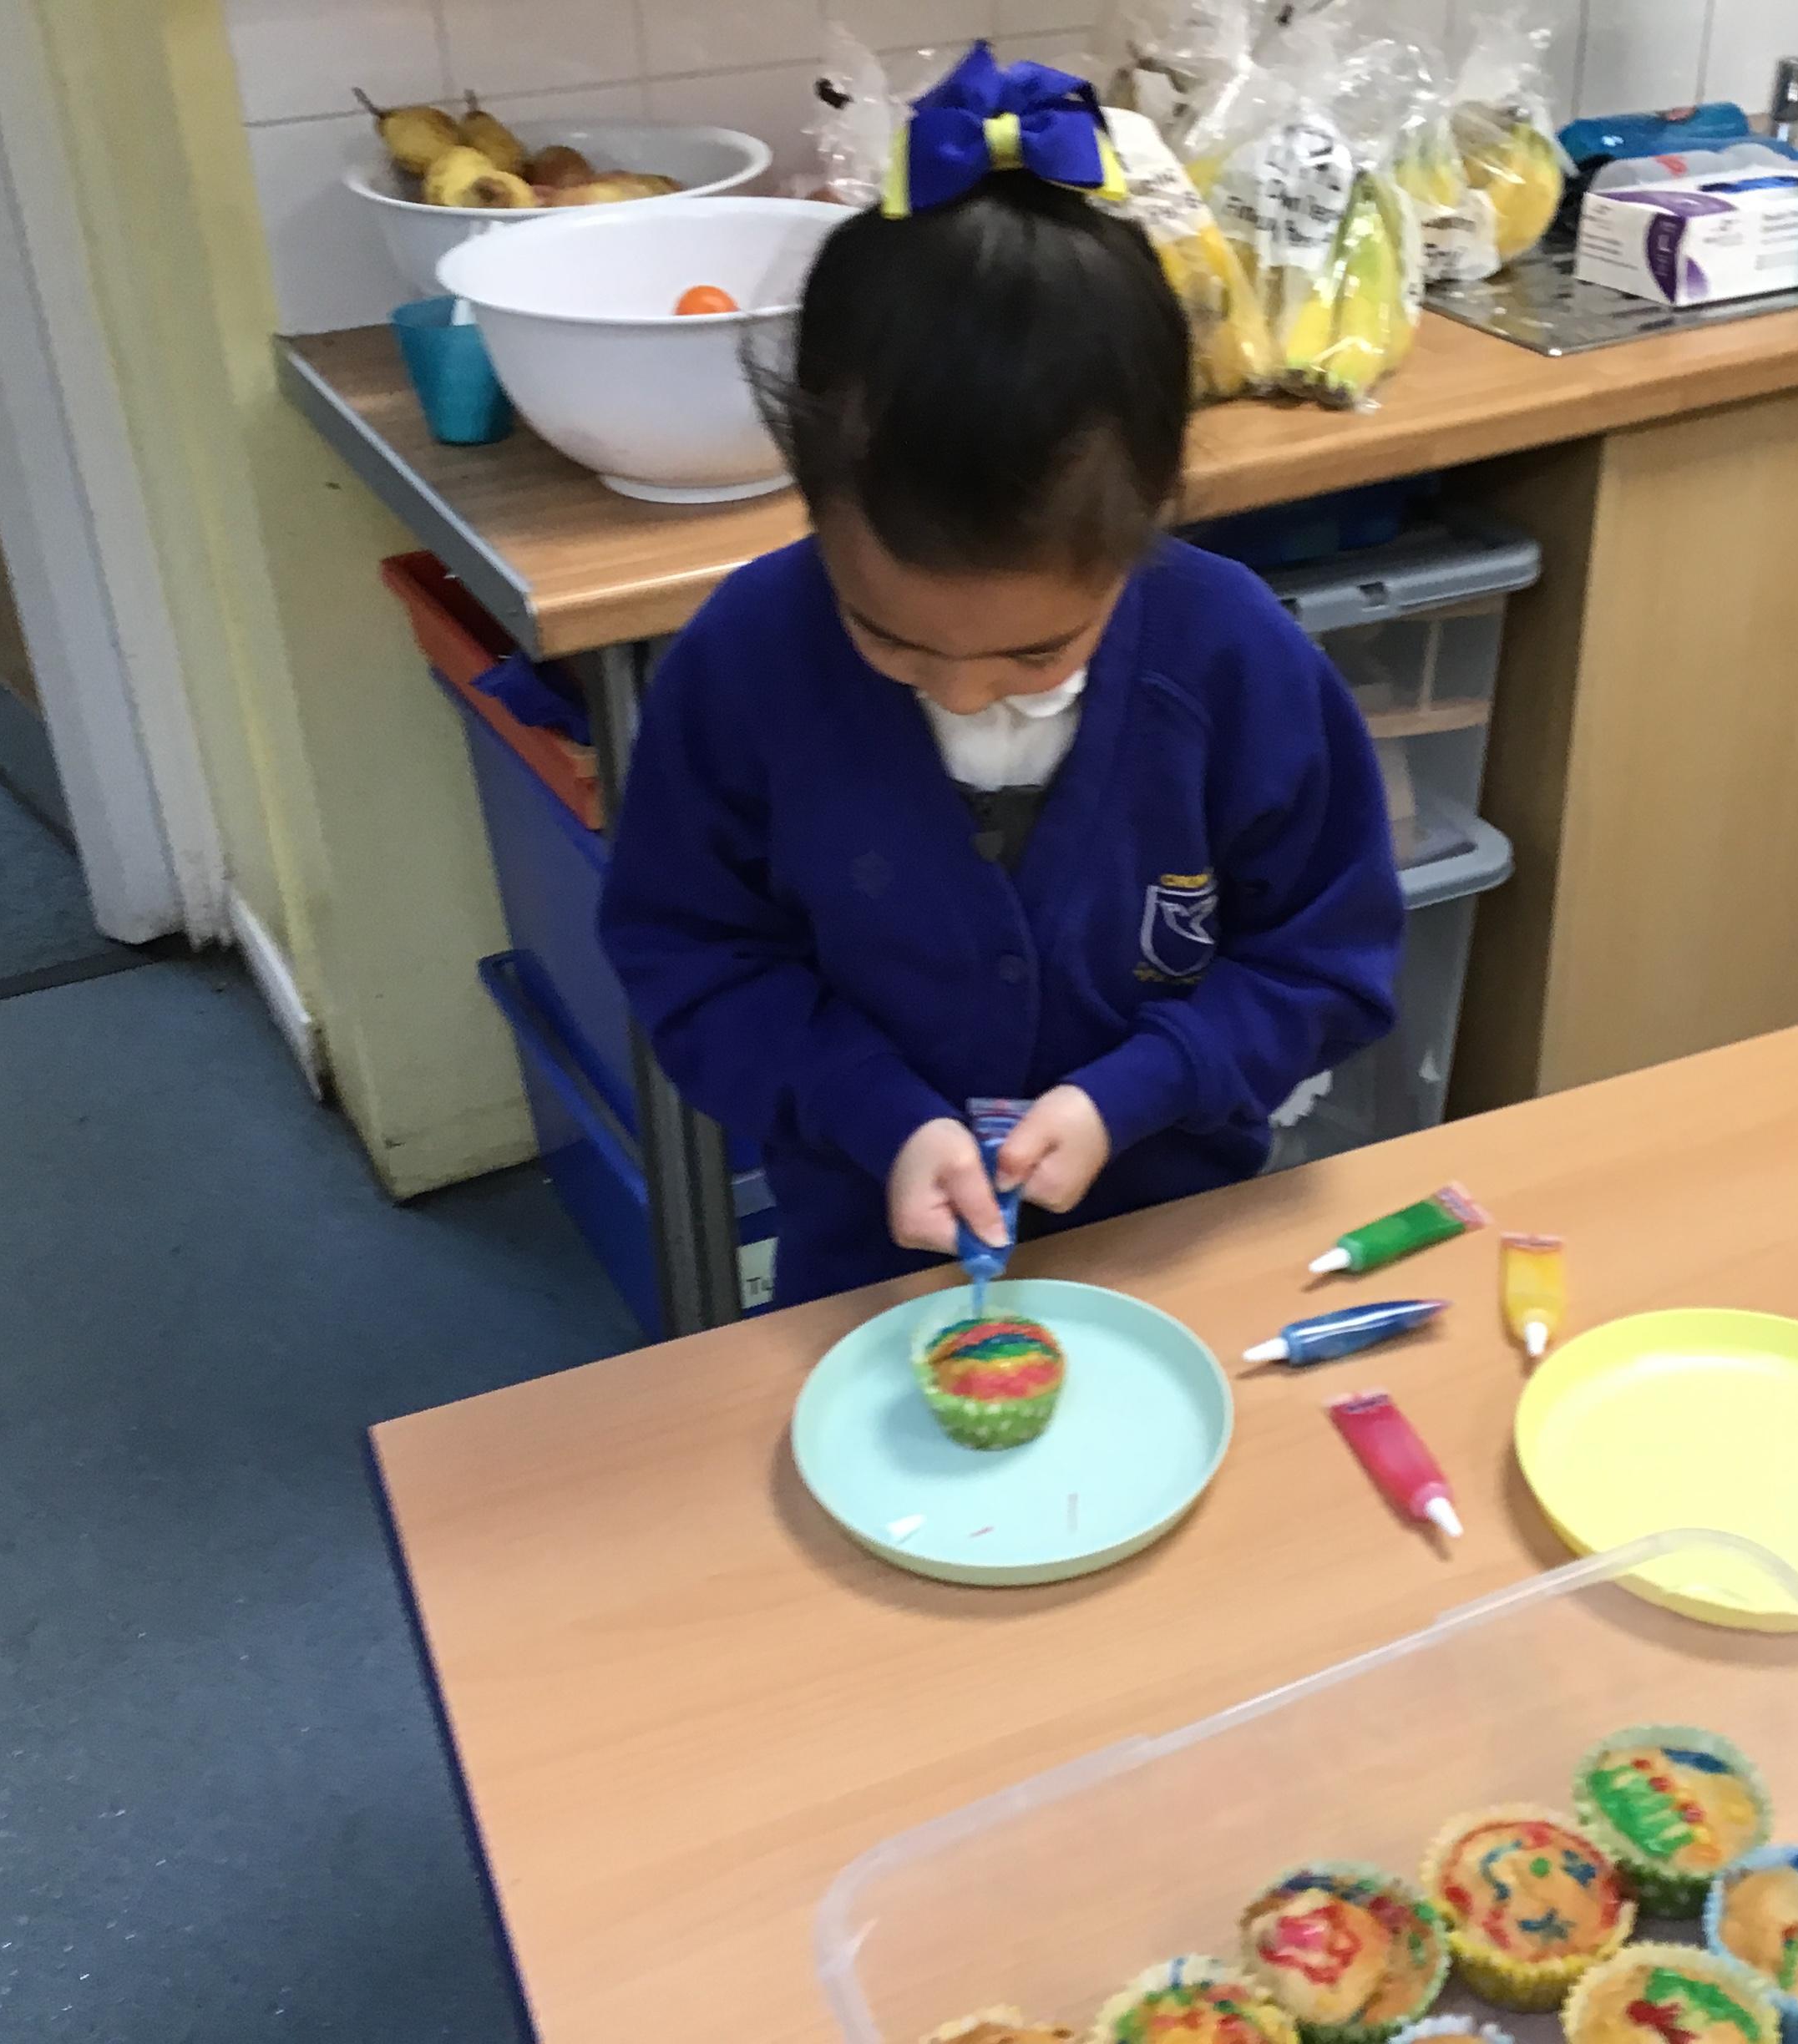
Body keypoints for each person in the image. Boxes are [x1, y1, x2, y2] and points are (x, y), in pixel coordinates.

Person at [598, 46, 1403, 1308]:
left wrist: (1140, 1089)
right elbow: (692, 956)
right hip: (870, 1260)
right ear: (812, 499)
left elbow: (1326, 961)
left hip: (1173, 1241)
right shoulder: (745, 664)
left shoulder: (1233, 659)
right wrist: (876, 1112)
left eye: (1037, 652)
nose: (964, 694)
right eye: (891, 640)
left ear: (1148, 518)